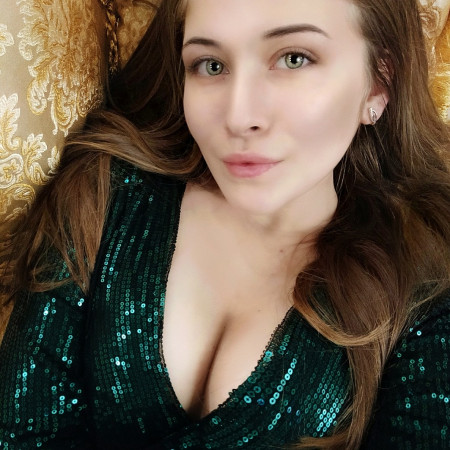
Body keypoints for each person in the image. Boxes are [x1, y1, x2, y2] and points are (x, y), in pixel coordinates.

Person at [0, 0, 449, 448]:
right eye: (210, 65)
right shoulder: (103, 193)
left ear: (378, 82)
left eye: (294, 59)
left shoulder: (426, 282)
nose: (238, 117)